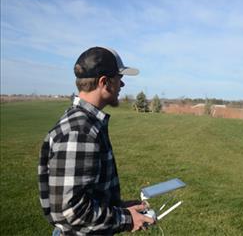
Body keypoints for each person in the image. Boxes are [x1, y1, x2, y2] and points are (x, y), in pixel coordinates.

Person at [38, 47, 155, 235]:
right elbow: (71, 213)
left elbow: (85, 195)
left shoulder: (85, 123)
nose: (122, 84)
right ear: (104, 82)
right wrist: (125, 219)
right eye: (119, 77)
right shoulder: (80, 131)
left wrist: (120, 208)